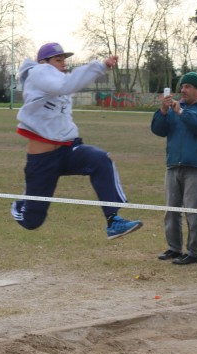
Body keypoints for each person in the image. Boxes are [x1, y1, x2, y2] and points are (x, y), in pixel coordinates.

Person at [11, 42, 143, 239]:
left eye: (64, 59)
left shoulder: (58, 81)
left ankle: (113, 220)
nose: (63, 63)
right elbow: (67, 84)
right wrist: (101, 66)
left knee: (100, 159)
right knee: (32, 222)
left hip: (67, 150)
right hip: (43, 160)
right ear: (43, 62)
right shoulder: (39, 72)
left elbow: (62, 110)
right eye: (58, 59)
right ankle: (20, 205)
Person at [150, 72, 197, 265]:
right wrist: (163, 111)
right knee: (171, 210)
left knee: (193, 211)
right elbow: (158, 130)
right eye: (182, 86)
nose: (183, 90)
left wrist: (182, 112)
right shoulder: (173, 108)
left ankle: (194, 252)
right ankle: (174, 248)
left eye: (188, 86)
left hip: (196, 167)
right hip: (173, 165)